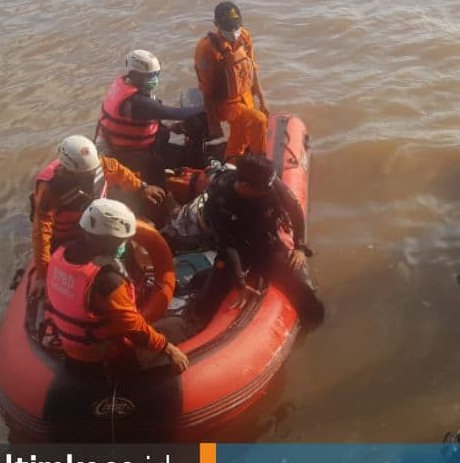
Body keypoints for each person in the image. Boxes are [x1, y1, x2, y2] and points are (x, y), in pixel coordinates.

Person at [44, 198, 189, 372]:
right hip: (103, 353)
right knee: (179, 325)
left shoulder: (60, 254)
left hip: (69, 343)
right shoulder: (108, 280)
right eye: (123, 240)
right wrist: (168, 348)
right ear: (110, 240)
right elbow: (133, 328)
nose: (125, 244)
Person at [31, 135, 166, 299]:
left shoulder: (100, 164)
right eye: (85, 174)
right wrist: (42, 275)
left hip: (97, 226)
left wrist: (142, 187)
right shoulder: (49, 190)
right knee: (91, 270)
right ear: (68, 170)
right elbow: (41, 231)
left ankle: (137, 285)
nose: (89, 175)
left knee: (126, 249)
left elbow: (120, 172)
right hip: (70, 237)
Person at [196, 153, 323, 325]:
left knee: (308, 296)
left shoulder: (268, 182)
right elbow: (226, 244)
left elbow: (293, 208)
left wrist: (299, 246)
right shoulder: (220, 200)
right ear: (246, 186)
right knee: (205, 304)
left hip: (267, 245)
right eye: (264, 188)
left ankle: (313, 327)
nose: (269, 190)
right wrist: (240, 282)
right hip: (235, 248)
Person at [95, 49, 205, 184]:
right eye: (150, 76)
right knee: (155, 163)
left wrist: (169, 128)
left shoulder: (124, 83)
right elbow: (173, 113)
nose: (154, 79)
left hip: (130, 143)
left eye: (156, 74)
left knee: (182, 153)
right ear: (134, 74)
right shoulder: (136, 102)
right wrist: (206, 107)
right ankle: (163, 198)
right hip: (124, 152)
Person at [194, 1, 269, 161]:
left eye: (236, 26)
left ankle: (232, 160)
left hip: (245, 95)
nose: (234, 31)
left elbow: (253, 67)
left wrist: (262, 99)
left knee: (243, 134)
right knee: (258, 120)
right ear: (217, 25)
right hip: (224, 102)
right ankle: (259, 162)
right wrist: (214, 125)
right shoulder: (206, 48)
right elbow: (206, 89)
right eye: (229, 28)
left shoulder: (244, 36)